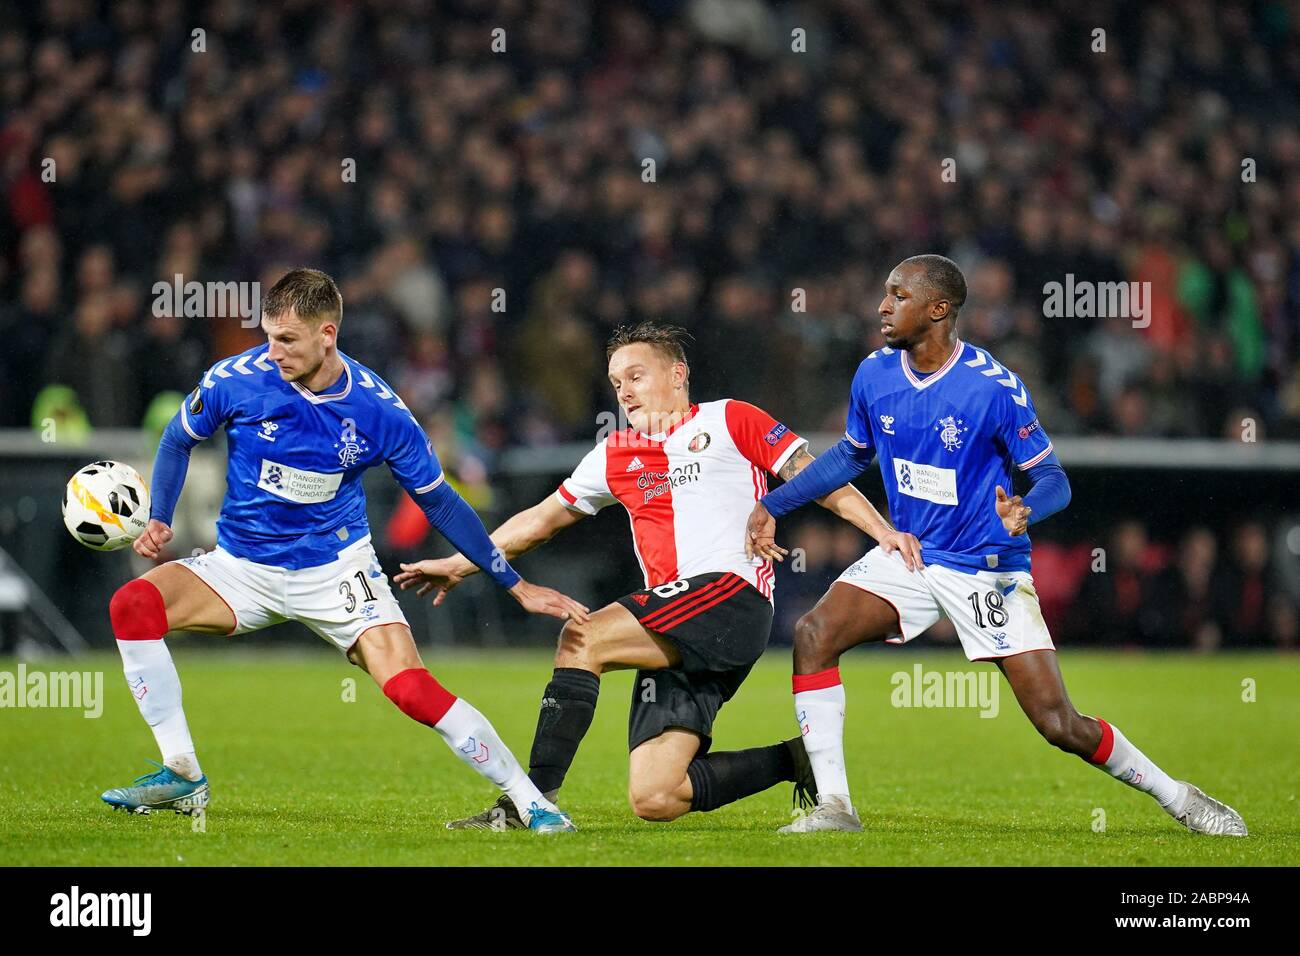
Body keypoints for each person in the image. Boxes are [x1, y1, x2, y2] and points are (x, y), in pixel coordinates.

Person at [746, 254, 1247, 837]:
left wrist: (1027, 509)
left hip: (985, 570)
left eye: (897, 295)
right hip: (911, 553)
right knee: (813, 634)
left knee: (1059, 724)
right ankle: (835, 806)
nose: (882, 306)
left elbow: (1054, 477)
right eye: (885, 293)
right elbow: (850, 455)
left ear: (939, 310)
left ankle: (1179, 797)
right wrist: (772, 504)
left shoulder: (993, 388)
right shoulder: (874, 374)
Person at [102, 268, 587, 834]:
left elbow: (442, 503)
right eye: (268, 335)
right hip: (239, 568)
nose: (272, 351)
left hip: (336, 571)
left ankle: (530, 802)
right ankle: (182, 772)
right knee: (131, 606)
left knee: (410, 689)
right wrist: (160, 516)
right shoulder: (234, 380)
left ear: (327, 334)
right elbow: (177, 438)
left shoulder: (380, 410)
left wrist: (514, 584)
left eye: (288, 339)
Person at [397, 322, 919, 828]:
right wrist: (461, 565)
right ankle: (796, 760)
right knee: (657, 795)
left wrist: (882, 531)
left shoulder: (731, 419)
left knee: (581, 637)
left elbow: (817, 475)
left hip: (729, 599)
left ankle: (529, 801)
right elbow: (537, 522)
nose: (624, 391)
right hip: (675, 621)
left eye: (636, 376)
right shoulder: (613, 453)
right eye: (616, 382)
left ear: (677, 374)